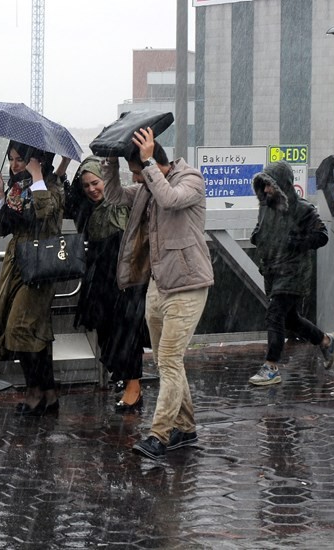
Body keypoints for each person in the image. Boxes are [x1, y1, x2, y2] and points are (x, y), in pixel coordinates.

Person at [101, 127, 214, 460]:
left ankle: (160, 435)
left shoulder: (190, 179)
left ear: (154, 163)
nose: (137, 180)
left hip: (189, 285)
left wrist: (147, 163)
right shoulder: (148, 186)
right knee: (170, 362)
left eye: (138, 173)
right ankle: (186, 429)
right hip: (159, 284)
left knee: (168, 361)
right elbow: (114, 197)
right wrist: (110, 165)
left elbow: (171, 199)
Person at [0, 140, 70, 416]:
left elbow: (46, 215)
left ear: (37, 160)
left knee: (20, 328)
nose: (14, 165)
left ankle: (34, 391)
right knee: (36, 332)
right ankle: (48, 393)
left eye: (20, 159)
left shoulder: (53, 186)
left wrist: (37, 177)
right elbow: (1, 229)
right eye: (11, 159)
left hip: (40, 263)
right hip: (15, 263)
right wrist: (0, 197)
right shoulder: (15, 189)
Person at [67, 156, 148, 413]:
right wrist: (62, 166)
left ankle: (134, 386)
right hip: (100, 277)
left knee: (127, 330)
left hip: (126, 276)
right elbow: (67, 202)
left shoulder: (124, 200)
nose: (92, 189)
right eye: (86, 185)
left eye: (96, 182)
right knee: (105, 332)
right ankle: (125, 378)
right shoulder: (86, 209)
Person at [248, 160, 334, 386]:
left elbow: (322, 235)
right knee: (290, 319)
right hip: (272, 271)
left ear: (283, 186)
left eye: (271, 185)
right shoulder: (265, 207)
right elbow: (265, 231)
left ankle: (271, 366)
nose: (267, 190)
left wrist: (299, 242)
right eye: (264, 185)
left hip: (293, 272)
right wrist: (257, 236)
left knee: (275, 314)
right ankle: (325, 341)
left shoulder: (303, 210)